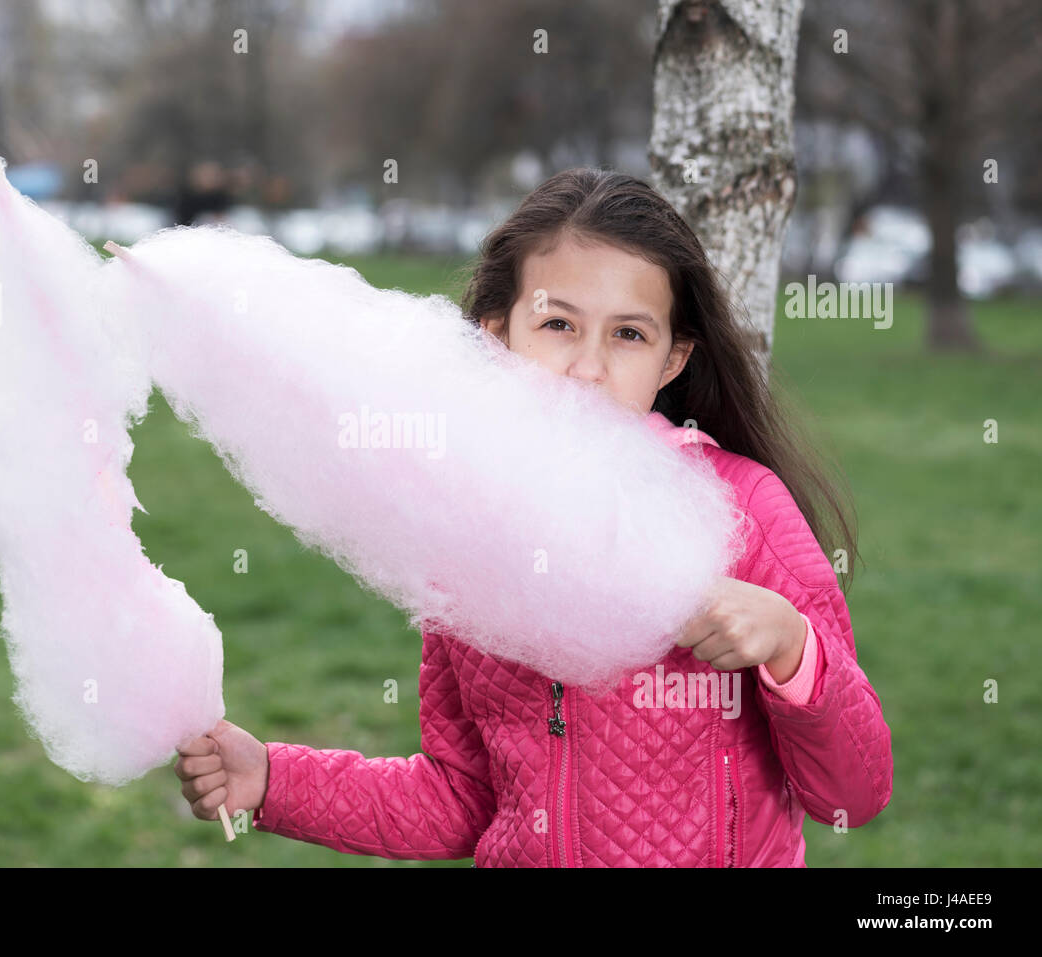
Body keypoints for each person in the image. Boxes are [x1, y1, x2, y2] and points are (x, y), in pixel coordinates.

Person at [173, 167, 893, 866]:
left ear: (673, 360)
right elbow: (461, 798)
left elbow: (853, 793)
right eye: (558, 324)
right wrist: (272, 778)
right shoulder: (467, 537)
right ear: (496, 336)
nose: (588, 366)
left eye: (629, 335)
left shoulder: (743, 512)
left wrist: (793, 649)